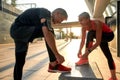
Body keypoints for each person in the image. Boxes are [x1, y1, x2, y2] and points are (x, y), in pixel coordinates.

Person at [10, 8, 71, 80]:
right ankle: (53, 64)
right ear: (57, 13)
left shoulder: (43, 15)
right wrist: (57, 55)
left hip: (17, 32)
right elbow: (46, 32)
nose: (60, 22)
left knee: (20, 61)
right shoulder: (46, 13)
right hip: (20, 30)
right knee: (48, 31)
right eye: (61, 19)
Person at [75, 12, 117, 80]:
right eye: (79, 20)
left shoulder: (97, 23)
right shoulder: (83, 28)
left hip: (109, 35)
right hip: (101, 38)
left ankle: (85, 58)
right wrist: (79, 50)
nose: (80, 22)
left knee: (90, 33)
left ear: (88, 19)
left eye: (81, 20)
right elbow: (82, 40)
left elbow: (97, 42)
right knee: (108, 56)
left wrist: (87, 53)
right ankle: (114, 77)